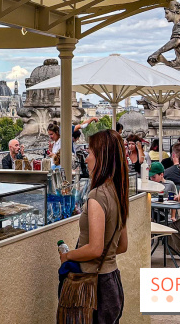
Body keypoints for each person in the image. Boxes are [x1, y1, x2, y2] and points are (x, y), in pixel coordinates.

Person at [58, 129, 129, 324]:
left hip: (95, 288)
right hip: (112, 281)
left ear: (101, 158)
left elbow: (95, 249)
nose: (86, 159)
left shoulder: (97, 196)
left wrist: (67, 255)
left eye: (89, 153)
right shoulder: (117, 192)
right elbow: (122, 246)